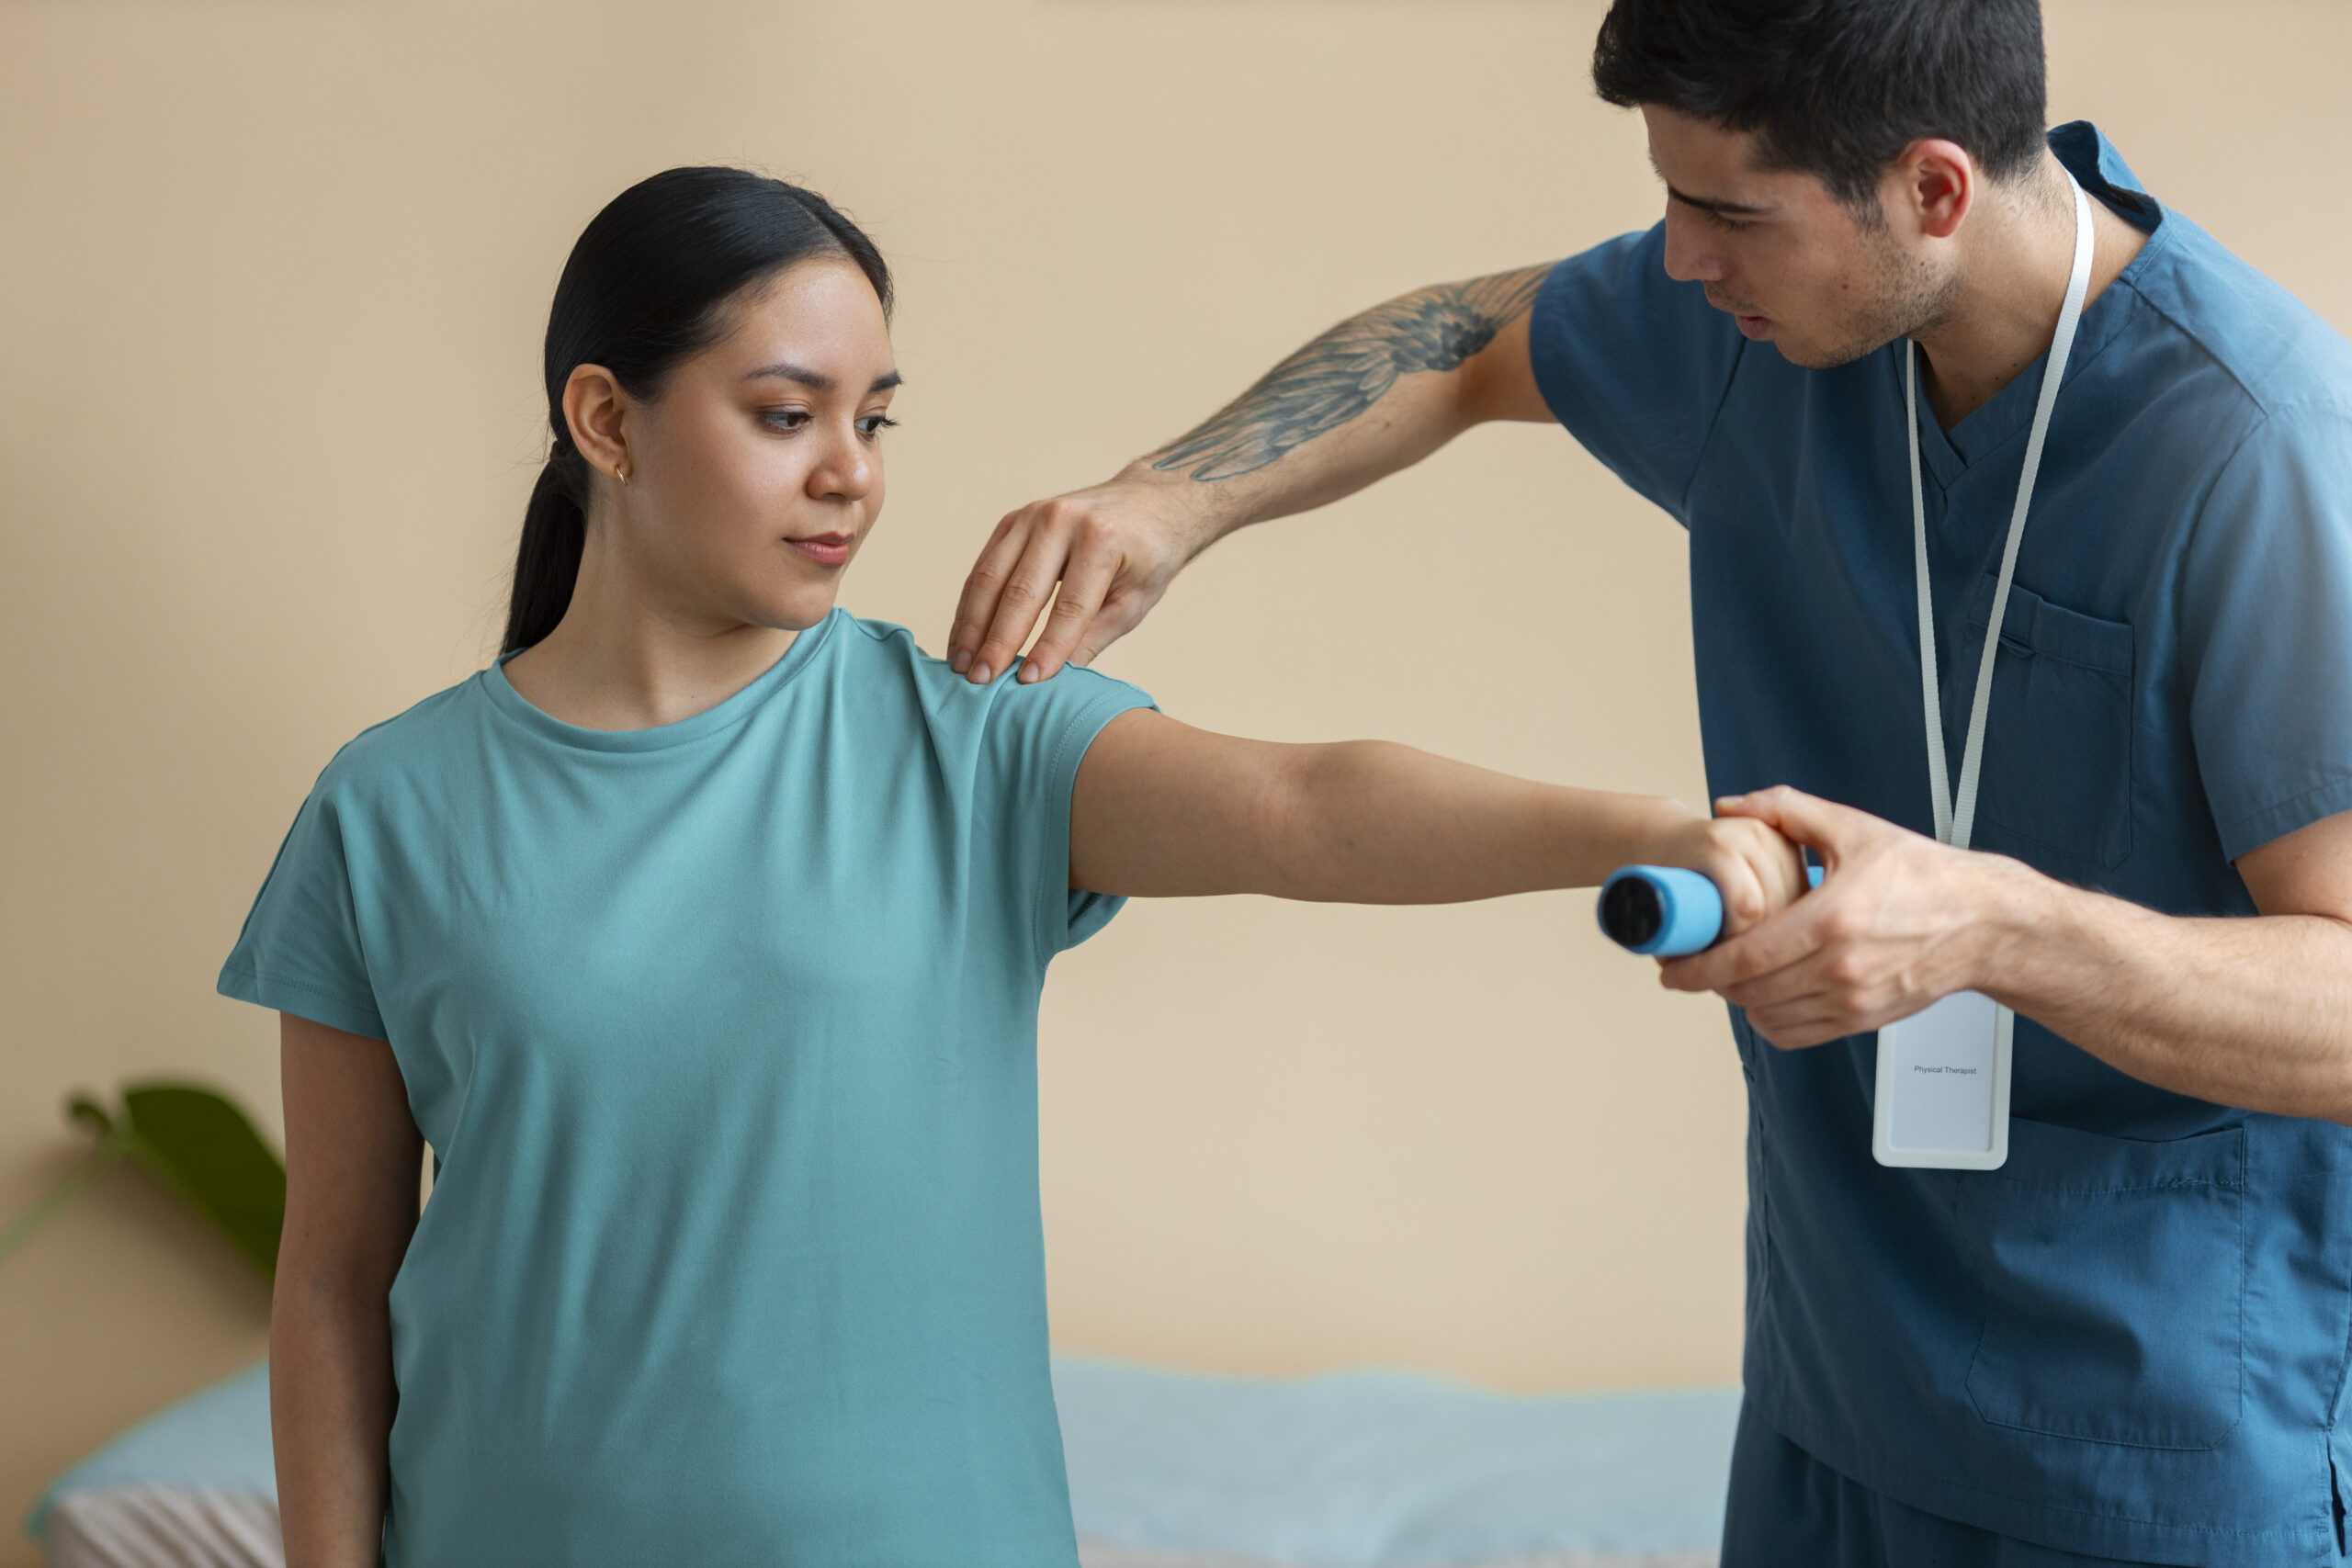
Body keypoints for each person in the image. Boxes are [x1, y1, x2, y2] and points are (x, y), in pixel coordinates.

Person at [224, 166, 1803, 1568]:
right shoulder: (390, 807)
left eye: (874, 418)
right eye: (786, 415)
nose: (851, 471)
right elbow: (334, 1283)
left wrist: (1648, 832)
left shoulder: (969, 740)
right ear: (606, 420)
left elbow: (1304, 806)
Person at [943, 3, 2352, 1564]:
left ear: (1933, 189)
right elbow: (1465, 338)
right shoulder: (1778, 332)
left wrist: (1994, 929)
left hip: (2151, 1445)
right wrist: (1167, 499)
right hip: (1833, 1386)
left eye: (1729, 215)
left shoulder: (2262, 451)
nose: (1679, 259)